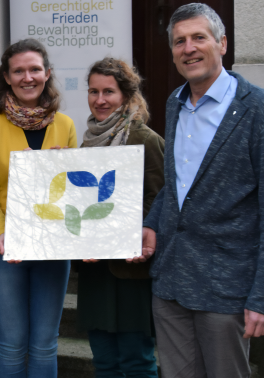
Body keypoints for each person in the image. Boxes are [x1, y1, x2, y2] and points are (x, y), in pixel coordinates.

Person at [131, 3, 264, 378]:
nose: (188, 48)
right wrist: (152, 223)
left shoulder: (256, 109)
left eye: (198, 38)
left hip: (227, 289)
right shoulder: (175, 103)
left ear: (222, 44)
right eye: (179, 41)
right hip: (171, 283)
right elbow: (176, 188)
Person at [0, 38, 77, 377]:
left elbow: (75, 193)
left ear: (47, 73)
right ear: (7, 76)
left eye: (34, 69)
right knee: (12, 344)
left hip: (52, 250)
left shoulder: (65, 125)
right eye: (18, 71)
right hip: (3, 252)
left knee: (45, 343)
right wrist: (3, 234)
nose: (27, 77)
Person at [76, 58, 164, 377]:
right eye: (93, 91)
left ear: (126, 96)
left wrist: (130, 231)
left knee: (137, 361)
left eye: (109, 92)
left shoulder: (146, 140)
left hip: (131, 274)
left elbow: (160, 199)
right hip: (96, 271)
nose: (100, 100)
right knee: (104, 362)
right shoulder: (85, 144)